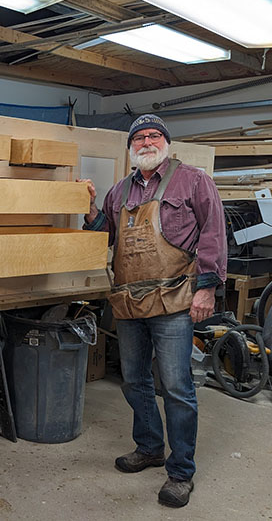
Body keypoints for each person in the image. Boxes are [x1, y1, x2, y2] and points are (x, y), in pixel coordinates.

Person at [79, 114, 226, 508]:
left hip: (176, 298)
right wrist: (91, 208)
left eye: (154, 135)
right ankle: (148, 447)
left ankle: (181, 472)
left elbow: (213, 234)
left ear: (166, 142)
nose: (147, 141)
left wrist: (207, 290)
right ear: (131, 146)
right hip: (129, 300)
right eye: (139, 137)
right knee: (134, 381)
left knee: (176, 387)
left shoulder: (194, 180)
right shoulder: (119, 191)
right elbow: (102, 238)